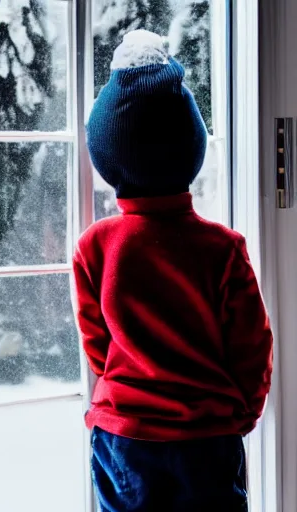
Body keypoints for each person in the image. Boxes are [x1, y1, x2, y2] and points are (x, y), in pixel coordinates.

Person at [72, 30, 273, 512]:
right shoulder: (222, 248)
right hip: (207, 435)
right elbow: (252, 344)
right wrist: (242, 411)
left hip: (126, 437)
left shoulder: (95, 245)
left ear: (105, 156)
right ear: (193, 148)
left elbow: (96, 343)